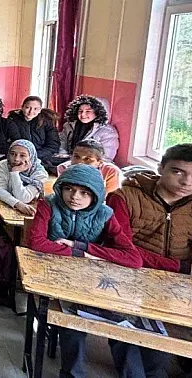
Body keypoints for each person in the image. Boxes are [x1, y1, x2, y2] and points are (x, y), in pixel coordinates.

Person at [27, 164, 142, 378]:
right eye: (69, 189)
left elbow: (133, 258)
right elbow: (36, 242)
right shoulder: (48, 205)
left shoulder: (105, 214)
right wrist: (79, 254)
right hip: (56, 277)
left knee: (124, 324)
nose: (75, 197)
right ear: (60, 187)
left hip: (94, 281)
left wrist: (82, 247)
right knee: (72, 323)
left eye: (85, 192)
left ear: (96, 195)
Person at [106, 144, 192, 377]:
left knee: (162, 346)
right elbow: (121, 248)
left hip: (180, 285)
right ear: (160, 168)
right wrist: (179, 266)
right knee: (127, 325)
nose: (186, 182)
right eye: (178, 172)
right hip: (129, 276)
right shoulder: (125, 197)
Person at [0, 140, 49, 216]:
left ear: (31, 157)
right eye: (12, 154)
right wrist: (17, 204)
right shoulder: (3, 165)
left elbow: (23, 198)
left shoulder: (40, 173)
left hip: (31, 209)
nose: (16, 159)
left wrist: (14, 173)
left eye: (22, 155)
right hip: (7, 205)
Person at [59, 95, 120, 161]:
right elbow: (62, 144)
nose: (83, 114)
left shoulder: (108, 132)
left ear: (98, 112)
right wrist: (64, 158)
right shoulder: (69, 126)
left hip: (90, 167)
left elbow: (105, 158)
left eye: (88, 111)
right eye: (80, 111)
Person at [57, 139, 122, 193]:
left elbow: (109, 199)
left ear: (99, 162)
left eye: (87, 159)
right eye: (76, 156)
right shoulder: (64, 168)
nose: (79, 162)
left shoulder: (111, 171)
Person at [7, 96, 59, 163]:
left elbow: (53, 145)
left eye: (35, 109)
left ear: (40, 110)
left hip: (41, 158)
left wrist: (35, 155)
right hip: (18, 158)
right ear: (22, 107)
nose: (31, 111)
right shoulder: (12, 120)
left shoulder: (47, 121)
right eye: (27, 108)